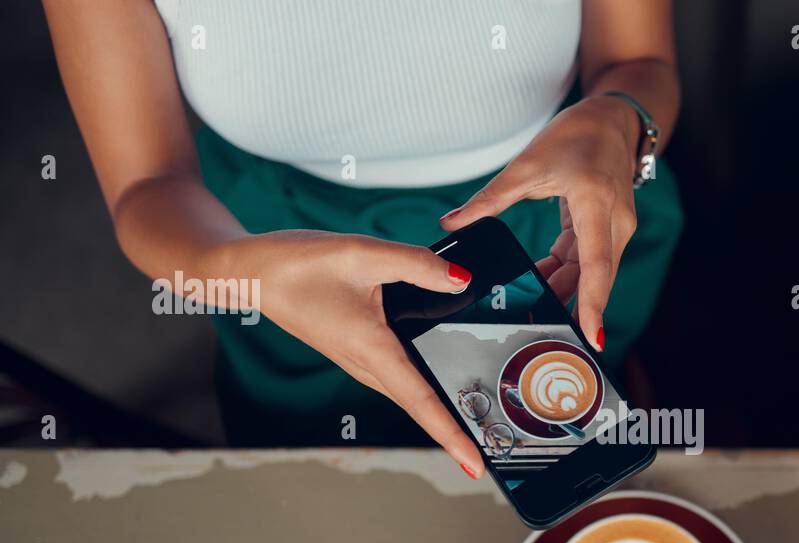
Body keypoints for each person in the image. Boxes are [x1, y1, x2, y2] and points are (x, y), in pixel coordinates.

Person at [43, 0, 682, 471]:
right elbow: (145, 188)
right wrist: (242, 270)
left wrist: (619, 120)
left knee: (567, 455)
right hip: (278, 246)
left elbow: (639, 60)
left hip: (549, 212)